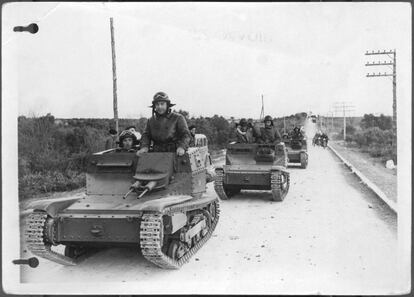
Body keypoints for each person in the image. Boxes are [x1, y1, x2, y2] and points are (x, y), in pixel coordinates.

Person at [136, 92, 190, 156]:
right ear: (154, 106)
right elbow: (146, 135)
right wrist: (144, 147)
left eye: (162, 104)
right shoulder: (151, 120)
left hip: (174, 153)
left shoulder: (178, 118)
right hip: (156, 153)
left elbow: (186, 135)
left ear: (167, 105)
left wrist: (182, 147)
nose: (159, 107)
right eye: (157, 104)